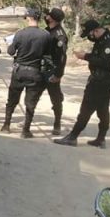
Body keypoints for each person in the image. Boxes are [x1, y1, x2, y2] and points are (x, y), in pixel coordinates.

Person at [54, 19, 110, 148]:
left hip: (101, 80)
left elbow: (105, 62)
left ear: (96, 30)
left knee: (86, 109)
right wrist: (86, 55)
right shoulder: (102, 39)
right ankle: (101, 139)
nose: (90, 37)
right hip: (100, 78)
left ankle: (73, 137)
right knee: (102, 109)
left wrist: (85, 56)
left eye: (90, 34)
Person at [1, 8, 52, 138]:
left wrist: (11, 44)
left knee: (12, 99)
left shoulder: (20, 34)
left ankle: (6, 125)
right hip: (35, 72)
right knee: (31, 103)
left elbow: (11, 52)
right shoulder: (45, 35)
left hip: (19, 71)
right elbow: (48, 54)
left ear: (28, 18)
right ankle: (26, 130)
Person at [43, 7, 68, 135]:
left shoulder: (60, 35)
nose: (47, 16)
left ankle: (57, 123)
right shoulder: (48, 30)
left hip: (52, 71)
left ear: (52, 19)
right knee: (33, 95)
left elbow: (62, 57)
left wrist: (58, 74)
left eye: (49, 15)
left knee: (56, 98)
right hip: (41, 68)